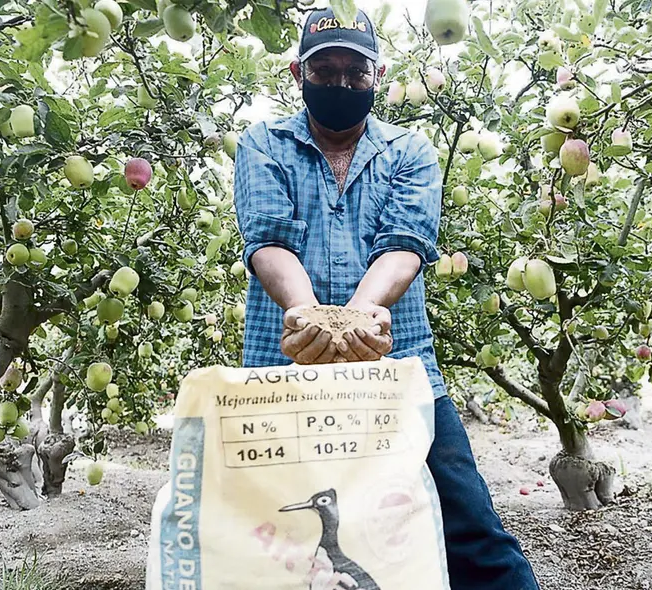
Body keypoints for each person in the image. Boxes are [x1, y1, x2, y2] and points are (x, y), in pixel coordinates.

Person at [231, 7, 540, 589]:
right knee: (278, 540)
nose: (341, 83)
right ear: (298, 74)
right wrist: (309, 315)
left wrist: (352, 319)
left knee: (472, 531)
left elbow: (404, 245)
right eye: (325, 71)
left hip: (399, 371)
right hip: (281, 372)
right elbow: (268, 241)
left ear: (378, 76)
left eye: (356, 72)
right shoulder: (263, 143)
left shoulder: (409, 150)